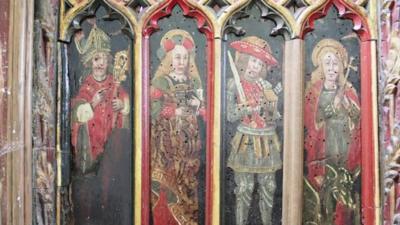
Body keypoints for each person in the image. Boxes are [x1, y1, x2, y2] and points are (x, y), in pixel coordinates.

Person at [70, 26, 131, 225]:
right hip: (91, 152)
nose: (100, 64)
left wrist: (122, 105)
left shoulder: (115, 83)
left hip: (111, 151)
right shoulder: (86, 87)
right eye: (96, 59)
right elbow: (78, 113)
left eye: (104, 59)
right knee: (90, 193)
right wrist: (93, 103)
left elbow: (126, 106)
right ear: (90, 62)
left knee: (110, 188)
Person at [150, 29, 206, 225]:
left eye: (185, 57)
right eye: (177, 57)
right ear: (169, 60)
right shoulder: (161, 81)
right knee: (168, 187)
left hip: (189, 146)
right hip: (167, 146)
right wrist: (176, 112)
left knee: (188, 186)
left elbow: (203, 110)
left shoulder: (194, 82)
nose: (182, 61)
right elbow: (153, 110)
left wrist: (200, 109)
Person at [304, 39, 361, 225]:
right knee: (325, 190)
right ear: (320, 66)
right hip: (324, 147)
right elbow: (313, 121)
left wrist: (346, 104)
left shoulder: (349, 91)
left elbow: (358, 119)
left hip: (344, 145)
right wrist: (331, 106)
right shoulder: (314, 91)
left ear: (341, 66)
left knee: (344, 189)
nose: (331, 68)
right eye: (327, 63)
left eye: (335, 63)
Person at [226, 36, 282, 225]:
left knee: (269, 186)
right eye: (252, 60)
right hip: (246, 141)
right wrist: (249, 108)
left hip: (266, 140)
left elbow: (274, 115)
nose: (255, 66)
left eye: (259, 63)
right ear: (244, 60)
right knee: (244, 187)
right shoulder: (234, 84)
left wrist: (271, 110)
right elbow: (230, 115)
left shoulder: (265, 86)